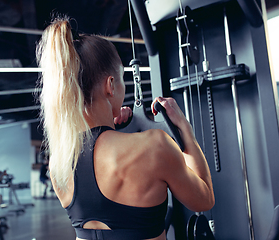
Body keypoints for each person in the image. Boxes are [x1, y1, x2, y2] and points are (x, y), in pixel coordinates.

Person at [36, 15, 214, 240]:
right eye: (121, 79)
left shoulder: (58, 164)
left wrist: (114, 131)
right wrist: (184, 128)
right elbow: (204, 200)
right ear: (110, 85)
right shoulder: (155, 145)